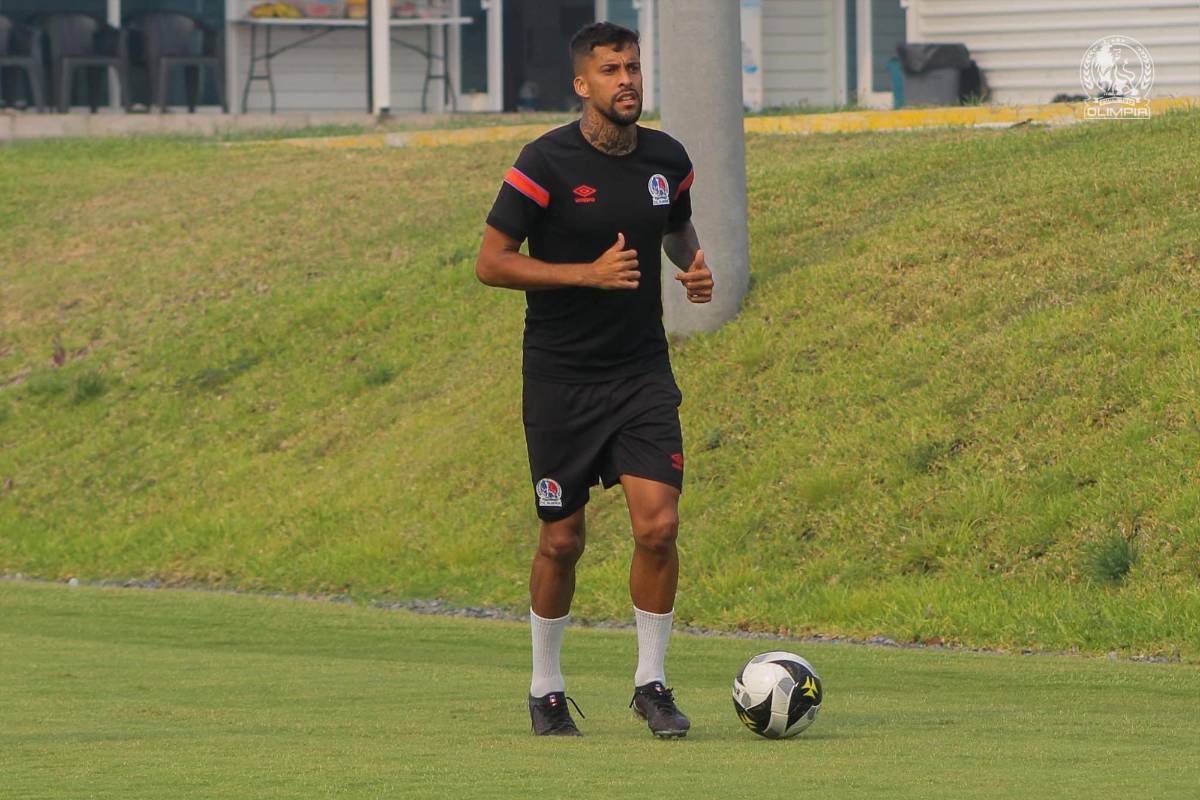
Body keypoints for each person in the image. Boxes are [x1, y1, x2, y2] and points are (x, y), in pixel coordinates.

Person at [475, 20, 714, 738]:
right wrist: (585, 275)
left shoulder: (668, 158)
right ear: (583, 84)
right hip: (561, 380)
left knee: (660, 526)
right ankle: (546, 687)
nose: (627, 81)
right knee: (562, 540)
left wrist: (692, 267)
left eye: (634, 67)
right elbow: (491, 261)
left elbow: (674, 225)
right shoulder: (543, 162)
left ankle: (652, 683)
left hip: (640, 371)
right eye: (611, 70)